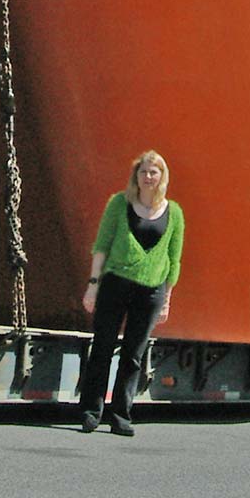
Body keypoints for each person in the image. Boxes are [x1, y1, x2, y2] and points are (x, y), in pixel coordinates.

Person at [79, 149, 184, 437]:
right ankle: (91, 411)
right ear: (135, 176)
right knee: (102, 348)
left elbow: (175, 259)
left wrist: (166, 298)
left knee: (134, 355)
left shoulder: (174, 213)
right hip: (115, 285)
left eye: (154, 172)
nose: (148, 177)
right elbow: (102, 245)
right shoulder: (119, 203)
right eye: (143, 171)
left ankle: (121, 415)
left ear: (162, 177)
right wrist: (93, 284)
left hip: (151, 292)